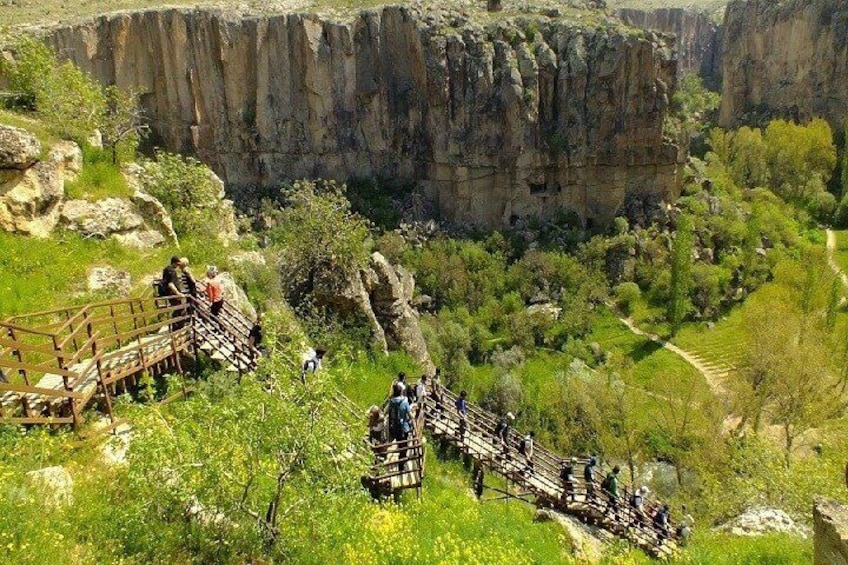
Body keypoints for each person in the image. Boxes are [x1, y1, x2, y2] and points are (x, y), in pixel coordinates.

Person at [387, 383, 412, 471]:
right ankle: (401, 466)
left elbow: (389, 413)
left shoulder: (391, 402)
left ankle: (401, 464)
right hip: (404, 428)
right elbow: (410, 415)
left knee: (399, 444)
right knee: (405, 446)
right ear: (401, 392)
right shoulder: (405, 402)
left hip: (395, 427)